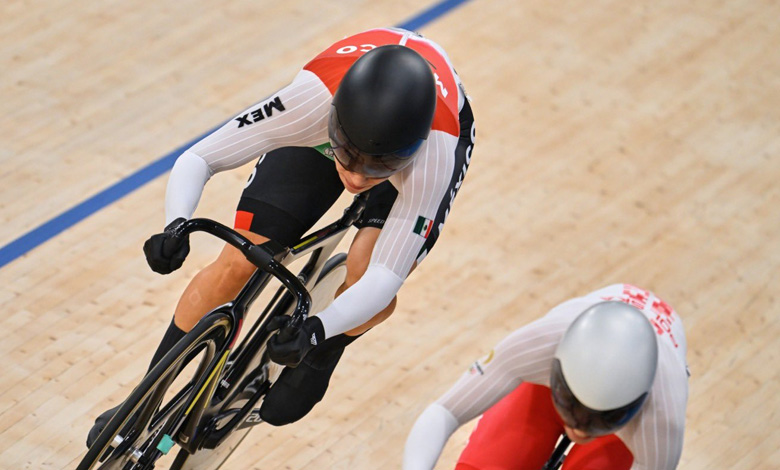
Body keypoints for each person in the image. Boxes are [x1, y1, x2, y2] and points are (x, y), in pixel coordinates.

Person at [86, 27, 475, 447]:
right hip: (328, 129)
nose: (359, 178)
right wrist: (175, 223)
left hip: (425, 140)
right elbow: (200, 158)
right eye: (348, 158)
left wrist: (320, 331)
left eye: (378, 168)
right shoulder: (308, 102)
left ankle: (331, 348)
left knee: (365, 269)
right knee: (238, 258)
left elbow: (385, 278)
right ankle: (148, 393)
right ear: (332, 122)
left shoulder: (434, 154)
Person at [403, 284, 689, 470]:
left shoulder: (664, 416)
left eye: (600, 419)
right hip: (546, 385)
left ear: (638, 403)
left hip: (622, 424)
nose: (580, 427)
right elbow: (445, 412)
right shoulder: (540, 342)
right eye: (572, 407)